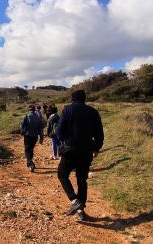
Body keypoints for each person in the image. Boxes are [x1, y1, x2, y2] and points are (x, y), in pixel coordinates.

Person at [56, 90, 104, 221]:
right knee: (82, 179)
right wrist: (97, 148)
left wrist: (66, 139)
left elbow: (59, 131)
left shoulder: (67, 110)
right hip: (87, 151)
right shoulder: (93, 111)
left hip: (70, 150)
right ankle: (81, 210)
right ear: (84, 99)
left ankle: (74, 200)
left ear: (72, 99)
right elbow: (99, 133)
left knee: (62, 174)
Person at [20, 105, 44, 172]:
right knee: (31, 149)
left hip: (28, 136)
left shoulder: (26, 116)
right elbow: (40, 128)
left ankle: (30, 163)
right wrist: (41, 137)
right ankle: (30, 162)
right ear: (34, 110)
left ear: (29, 110)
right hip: (35, 136)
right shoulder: (38, 117)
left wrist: (23, 133)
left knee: (27, 149)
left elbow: (22, 126)